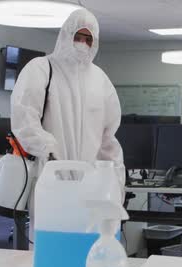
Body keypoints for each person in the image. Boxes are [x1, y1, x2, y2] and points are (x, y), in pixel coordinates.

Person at [10, 9, 124, 243]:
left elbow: (108, 138)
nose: (82, 44)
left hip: (91, 186)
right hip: (52, 180)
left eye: (88, 39)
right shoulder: (41, 68)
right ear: (65, 35)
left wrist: (115, 183)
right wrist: (49, 150)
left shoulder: (100, 80)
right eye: (77, 37)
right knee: (50, 251)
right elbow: (24, 118)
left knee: (90, 255)